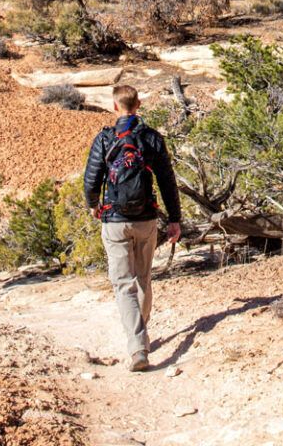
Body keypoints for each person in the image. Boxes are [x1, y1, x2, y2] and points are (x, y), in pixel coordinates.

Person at [83, 84, 182, 371]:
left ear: (115, 106)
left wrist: (93, 204)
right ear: (138, 105)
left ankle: (138, 345)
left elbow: (91, 179)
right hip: (146, 218)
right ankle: (141, 331)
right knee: (143, 278)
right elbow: (167, 180)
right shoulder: (151, 138)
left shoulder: (104, 138)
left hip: (114, 219)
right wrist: (174, 218)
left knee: (123, 283)